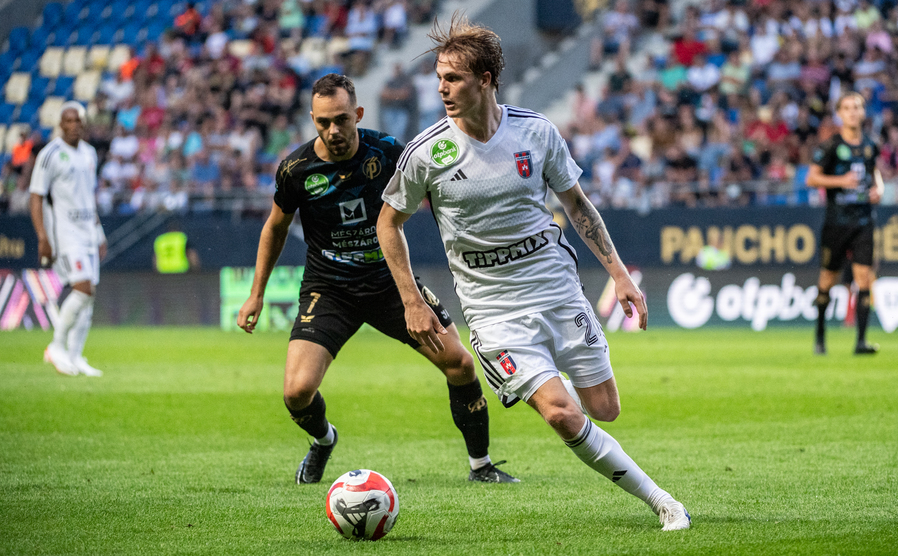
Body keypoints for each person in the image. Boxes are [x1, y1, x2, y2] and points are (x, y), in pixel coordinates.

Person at [377, 16, 690, 531]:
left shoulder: (536, 132)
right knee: (563, 414)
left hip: (556, 289)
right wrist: (412, 300)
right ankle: (663, 502)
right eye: (439, 78)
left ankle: (551, 376)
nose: (441, 88)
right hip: (493, 311)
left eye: (453, 78)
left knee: (604, 409)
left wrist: (619, 275)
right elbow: (387, 223)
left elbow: (578, 206)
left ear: (485, 79)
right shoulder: (427, 152)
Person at [237, 74, 517, 485]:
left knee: (459, 363)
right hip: (329, 288)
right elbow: (275, 227)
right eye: (324, 122)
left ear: (358, 114)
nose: (334, 130)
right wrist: (256, 294)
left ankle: (482, 466)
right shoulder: (296, 170)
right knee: (296, 393)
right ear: (313, 120)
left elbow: (438, 197)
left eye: (342, 119)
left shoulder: (387, 152)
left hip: (390, 283)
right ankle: (324, 440)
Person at [29, 101, 106, 377]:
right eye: (68, 121)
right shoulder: (50, 154)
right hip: (65, 234)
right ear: (60, 125)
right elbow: (36, 196)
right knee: (83, 289)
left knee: (89, 296)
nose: (73, 126)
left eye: (78, 121)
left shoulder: (89, 153)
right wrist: (42, 236)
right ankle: (56, 346)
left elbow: (89, 196)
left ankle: (75, 356)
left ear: (84, 124)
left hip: (88, 232)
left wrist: (99, 232)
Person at [807, 92, 884, 355]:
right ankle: (820, 337)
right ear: (839, 114)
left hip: (863, 221)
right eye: (847, 108)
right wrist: (840, 181)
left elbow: (874, 172)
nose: (852, 112)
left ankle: (861, 341)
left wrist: (879, 188)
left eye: (857, 107)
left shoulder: (870, 145)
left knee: (864, 279)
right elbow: (812, 178)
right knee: (827, 279)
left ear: (863, 112)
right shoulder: (830, 146)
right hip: (837, 223)